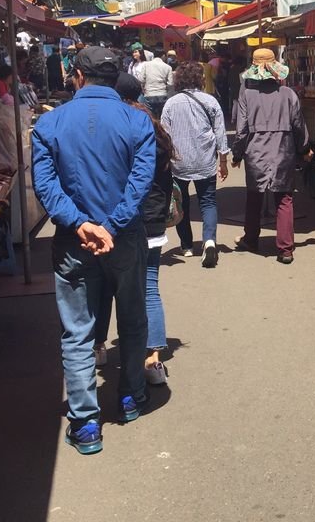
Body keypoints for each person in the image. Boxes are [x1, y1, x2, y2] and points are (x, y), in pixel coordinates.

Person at [31, 47, 155, 455]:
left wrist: (82, 224)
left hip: (73, 240)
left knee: (78, 331)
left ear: (77, 77)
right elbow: (140, 183)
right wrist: (110, 226)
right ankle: (131, 396)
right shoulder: (138, 121)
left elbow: (45, 186)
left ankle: (86, 423)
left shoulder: (49, 123)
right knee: (133, 319)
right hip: (124, 238)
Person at [94, 72, 175, 386]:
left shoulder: (115, 127)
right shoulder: (154, 127)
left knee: (102, 285)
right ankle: (153, 361)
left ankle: (98, 346)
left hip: (117, 220)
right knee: (149, 288)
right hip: (153, 219)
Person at [230, 49, 309, 265]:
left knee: (254, 196)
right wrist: (304, 149)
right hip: (283, 150)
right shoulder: (289, 94)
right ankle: (285, 249)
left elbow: (241, 128)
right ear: (275, 70)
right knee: (284, 198)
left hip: (256, 152)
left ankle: (251, 239)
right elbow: (299, 125)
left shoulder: (246, 93)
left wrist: (237, 154)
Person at [161, 62, 230, 267]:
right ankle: (209, 241)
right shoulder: (211, 101)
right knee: (208, 201)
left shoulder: (170, 104)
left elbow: (165, 136)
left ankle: (187, 245)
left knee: (182, 202)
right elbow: (220, 132)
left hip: (178, 162)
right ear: (200, 79)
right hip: (205, 159)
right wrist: (223, 160)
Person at [137, 48, 174, 117]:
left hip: (149, 94)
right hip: (162, 95)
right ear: (163, 56)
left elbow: (141, 80)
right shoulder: (168, 67)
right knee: (162, 116)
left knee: (151, 117)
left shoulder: (146, 65)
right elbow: (170, 84)